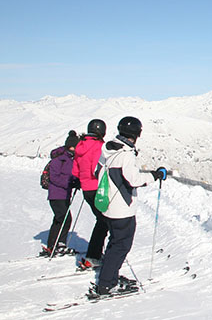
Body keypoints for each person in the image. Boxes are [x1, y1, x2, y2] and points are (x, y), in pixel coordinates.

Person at [91, 116, 167, 297]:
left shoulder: (108, 148)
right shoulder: (125, 154)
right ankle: (106, 284)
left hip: (107, 204)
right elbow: (134, 180)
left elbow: (97, 172)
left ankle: (110, 277)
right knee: (121, 246)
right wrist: (155, 175)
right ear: (137, 133)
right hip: (122, 208)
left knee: (114, 243)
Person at [71, 119, 109, 269]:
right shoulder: (99, 146)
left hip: (86, 189)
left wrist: (82, 180)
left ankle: (95, 255)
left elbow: (75, 171)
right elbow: (99, 169)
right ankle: (94, 256)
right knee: (104, 222)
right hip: (98, 189)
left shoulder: (80, 146)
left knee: (102, 221)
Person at [43, 131, 80, 257]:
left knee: (60, 219)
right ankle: (59, 244)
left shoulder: (70, 159)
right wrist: (70, 183)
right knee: (64, 218)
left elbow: (70, 175)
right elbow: (55, 177)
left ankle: (53, 245)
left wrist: (76, 181)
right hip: (56, 194)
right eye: (73, 147)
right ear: (68, 146)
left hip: (64, 194)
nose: (75, 150)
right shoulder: (59, 159)